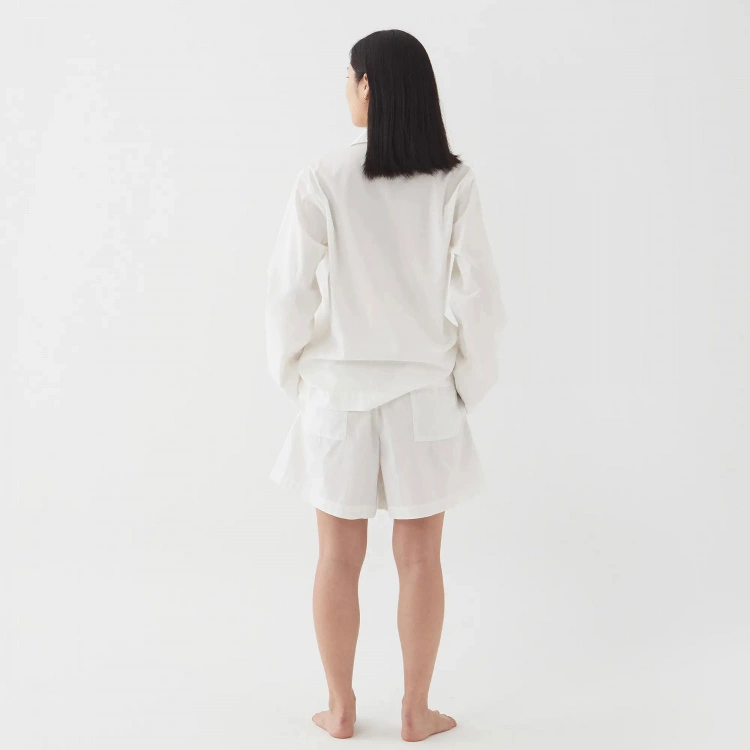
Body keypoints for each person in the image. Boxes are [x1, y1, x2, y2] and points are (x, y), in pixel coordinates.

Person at [265, 29, 507, 742]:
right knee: (421, 559)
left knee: (336, 558)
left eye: (349, 78)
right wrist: (466, 384)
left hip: (336, 397)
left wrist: (295, 374)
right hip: (424, 398)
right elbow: (481, 300)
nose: (345, 89)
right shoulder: (453, 182)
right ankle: (416, 710)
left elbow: (287, 293)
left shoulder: (323, 177)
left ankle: (340, 708)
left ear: (368, 85)